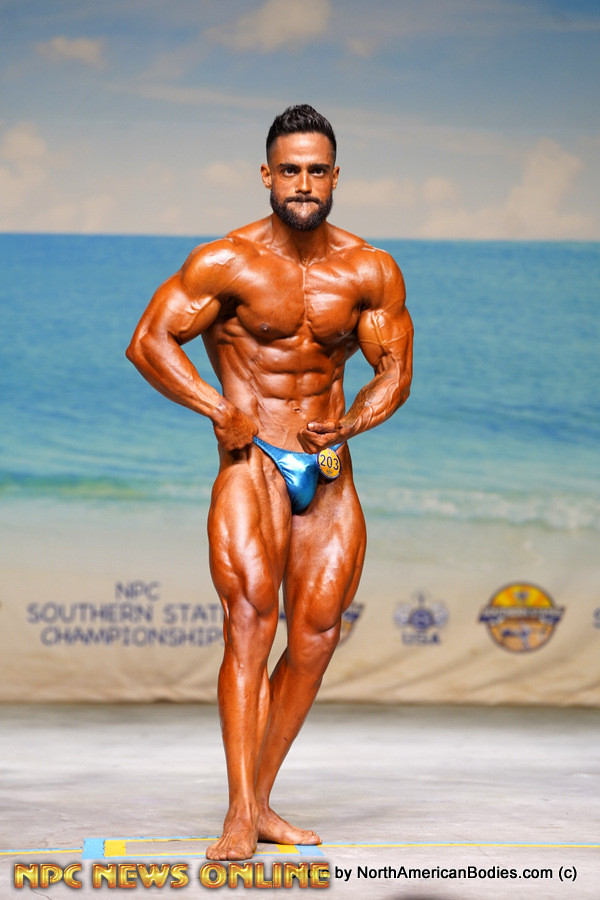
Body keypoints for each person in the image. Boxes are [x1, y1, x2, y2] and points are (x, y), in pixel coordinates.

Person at [126, 104, 413, 861]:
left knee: (316, 637)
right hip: (251, 460)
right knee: (250, 627)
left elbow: (395, 372)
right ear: (267, 175)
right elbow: (149, 342)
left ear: (336, 176)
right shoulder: (227, 262)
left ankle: (259, 799)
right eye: (290, 170)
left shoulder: (370, 269)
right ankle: (237, 813)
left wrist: (352, 422)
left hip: (328, 463)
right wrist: (218, 407)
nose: (304, 183)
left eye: (317, 170)